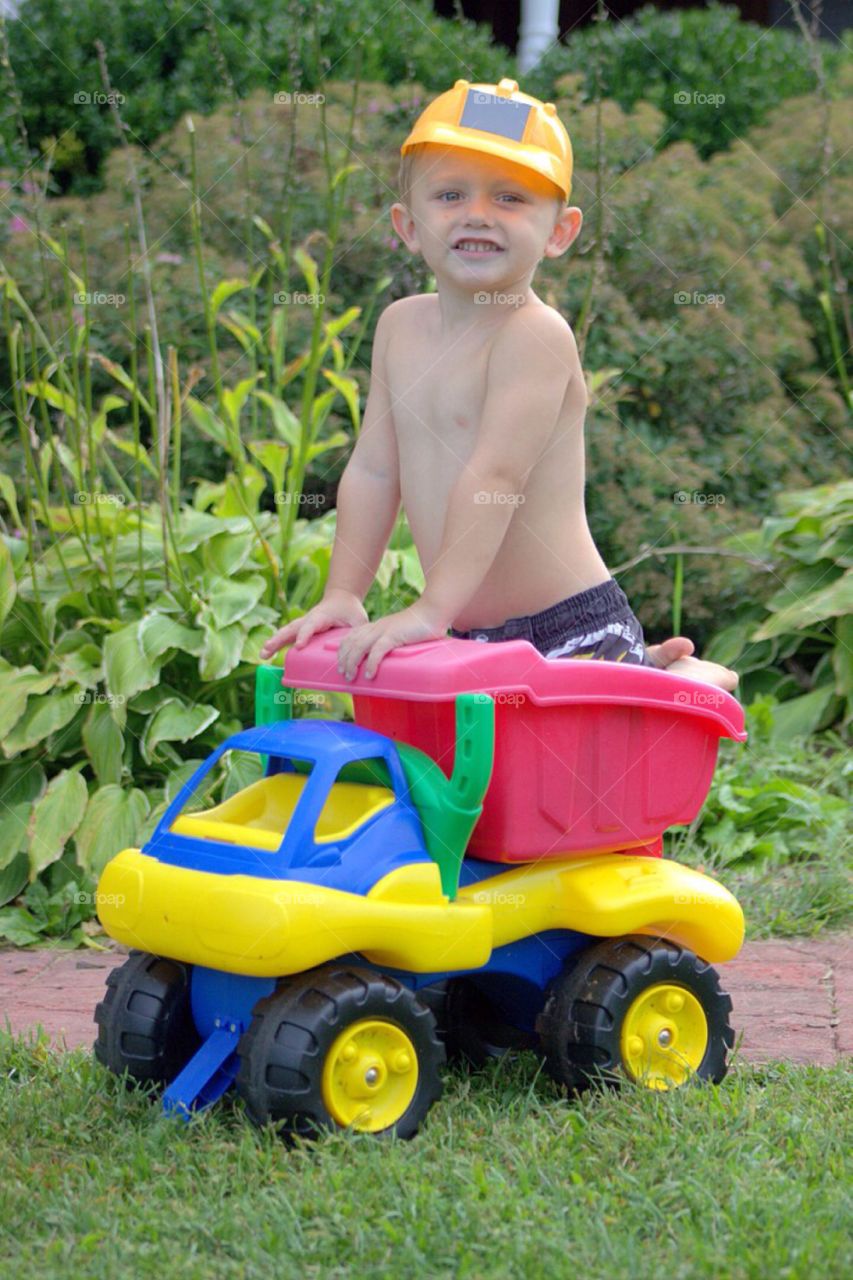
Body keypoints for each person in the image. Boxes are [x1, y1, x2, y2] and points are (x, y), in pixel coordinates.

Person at [261, 78, 738, 692]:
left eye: (510, 197)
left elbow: (496, 480)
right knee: (477, 787)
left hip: (567, 634)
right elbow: (376, 471)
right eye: (451, 194)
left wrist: (430, 610)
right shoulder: (399, 328)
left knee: (580, 779)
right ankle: (657, 670)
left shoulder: (533, 335)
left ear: (560, 232)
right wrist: (344, 592)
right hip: (463, 637)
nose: (477, 214)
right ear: (407, 225)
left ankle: (685, 677)